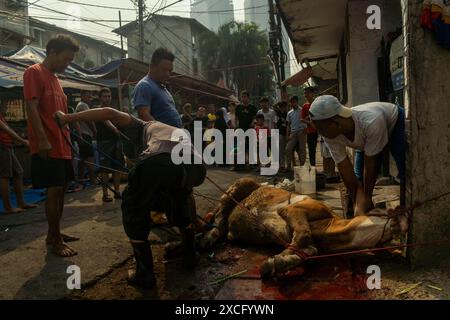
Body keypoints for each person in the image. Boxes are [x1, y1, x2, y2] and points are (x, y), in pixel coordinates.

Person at [55, 107, 206, 289]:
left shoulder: (140, 125)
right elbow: (183, 192)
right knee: (177, 196)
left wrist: (68, 118)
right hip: (197, 167)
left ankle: (144, 274)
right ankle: (190, 255)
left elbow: (108, 113)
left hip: (161, 158)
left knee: (132, 205)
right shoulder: (164, 129)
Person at [24, 34, 80, 257]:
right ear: (53, 52)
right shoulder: (34, 72)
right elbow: (31, 107)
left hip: (63, 145)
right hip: (48, 145)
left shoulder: (56, 80)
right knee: (54, 192)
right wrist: (43, 139)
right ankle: (55, 241)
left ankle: (54, 233)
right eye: (66, 59)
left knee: (62, 190)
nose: (68, 64)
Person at [309, 95, 405, 216]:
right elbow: (344, 168)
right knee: (358, 177)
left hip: (394, 122)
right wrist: (358, 201)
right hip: (365, 140)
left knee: (403, 169)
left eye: (321, 129)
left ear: (337, 122)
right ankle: (355, 206)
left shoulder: (370, 121)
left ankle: (405, 209)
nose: (320, 134)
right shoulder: (329, 134)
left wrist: (367, 198)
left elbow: (371, 167)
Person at [0, 104, 37, 214]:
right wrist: (22, 141)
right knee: (4, 176)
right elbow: (4, 128)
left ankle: (21, 202)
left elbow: (6, 128)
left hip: (7, 145)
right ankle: (8, 207)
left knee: (18, 172)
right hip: (1, 145)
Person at [132, 48, 182, 128]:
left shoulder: (162, 87)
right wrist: (167, 133)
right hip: (163, 138)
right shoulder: (145, 85)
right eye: (164, 70)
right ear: (152, 67)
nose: (168, 74)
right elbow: (144, 117)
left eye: (170, 71)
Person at [94, 88, 125, 203]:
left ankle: (117, 192)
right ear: (100, 98)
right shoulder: (98, 110)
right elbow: (107, 122)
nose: (107, 98)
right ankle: (105, 194)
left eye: (109, 96)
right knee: (105, 169)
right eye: (105, 96)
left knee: (117, 167)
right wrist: (116, 130)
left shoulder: (114, 111)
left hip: (116, 141)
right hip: (104, 142)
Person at [75, 90, 96, 185]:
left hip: (82, 135)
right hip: (85, 134)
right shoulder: (83, 105)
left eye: (90, 97)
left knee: (82, 159)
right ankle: (93, 181)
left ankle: (80, 179)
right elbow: (89, 120)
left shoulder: (80, 105)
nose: (90, 99)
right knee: (90, 158)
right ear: (82, 96)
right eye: (88, 96)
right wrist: (95, 131)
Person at [285, 96, 307, 172]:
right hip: (293, 132)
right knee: (288, 149)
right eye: (291, 102)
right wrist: (287, 135)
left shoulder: (302, 110)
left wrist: (305, 129)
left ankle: (302, 166)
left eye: (294, 102)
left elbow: (306, 119)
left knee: (302, 149)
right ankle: (288, 166)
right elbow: (288, 125)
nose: (292, 103)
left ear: (297, 102)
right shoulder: (289, 113)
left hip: (301, 131)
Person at [301, 87, 319, 166]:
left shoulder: (318, 103)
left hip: (322, 131)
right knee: (312, 150)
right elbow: (301, 119)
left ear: (313, 93)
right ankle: (313, 168)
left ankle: (328, 170)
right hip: (311, 131)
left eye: (307, 92)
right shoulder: (305, 106)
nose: (306, 95)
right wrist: (310, 122)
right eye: (305, 93)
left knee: (326, 152)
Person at [274, 101, 288, 172]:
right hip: (280, 133)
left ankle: (288, 165)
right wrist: (279, 103)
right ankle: (282, 165)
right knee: (281, 150)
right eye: (281, 107)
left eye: (284, 106)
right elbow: (274, 106)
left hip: (287, 133)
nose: (283, 108)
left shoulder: (288, 113)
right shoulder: (278, 113)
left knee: (288, 150)